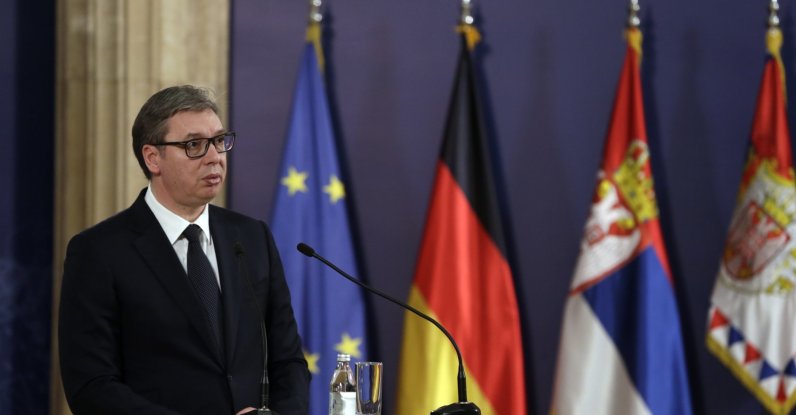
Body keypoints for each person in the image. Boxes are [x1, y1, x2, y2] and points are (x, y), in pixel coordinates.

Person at [58, 85, 310, 415]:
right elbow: (91, 386)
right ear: (153, 157)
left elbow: (289, 361)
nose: (214, 157)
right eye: (194, 145)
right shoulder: (99, 252)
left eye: (220, 141)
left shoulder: (252, 238)